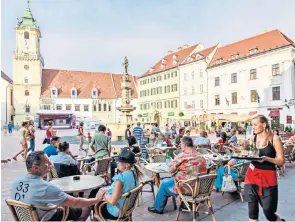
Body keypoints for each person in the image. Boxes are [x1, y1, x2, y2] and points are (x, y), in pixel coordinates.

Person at [10, 151, 101, 221]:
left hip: (25, 218)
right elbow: (75, 202)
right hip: (44, 218)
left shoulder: (15, 182)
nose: (50, 164)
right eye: (46, 162)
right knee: (85, 209)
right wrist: (96, 199)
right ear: (35, 168)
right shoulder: (46, 187)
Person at [147, 136, 207, 214]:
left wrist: (175, 172)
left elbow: (170, 170)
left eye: (181, 144)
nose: (180, 145)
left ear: (185, 145)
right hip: (200, 187)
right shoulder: (200, 156)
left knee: (164, 184)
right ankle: (186, 203)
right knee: (171, 181)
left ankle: (158, 208)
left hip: (186, 187)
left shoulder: (182, 156)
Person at [244, 115, 285, 222]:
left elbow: (281, 160)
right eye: (252, 125)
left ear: (264, 125)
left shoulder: (274, 138)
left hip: (268, 178)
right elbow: (251, 154)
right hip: (251, 176)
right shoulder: (253, 138)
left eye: (255, 124)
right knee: (252, 212)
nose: (253, 127)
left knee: (268, 213)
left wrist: (267, 159)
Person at [93, 149, 144, 219]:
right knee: (95, 192)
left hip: (115, 211)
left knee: (92, 199)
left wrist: (103, 193)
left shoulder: (120, 179)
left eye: (119, 161)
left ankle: (95, 218)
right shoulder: (133, 174)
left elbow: (112, 201)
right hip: (125, 209)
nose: (117, 162)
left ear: (127, 165)